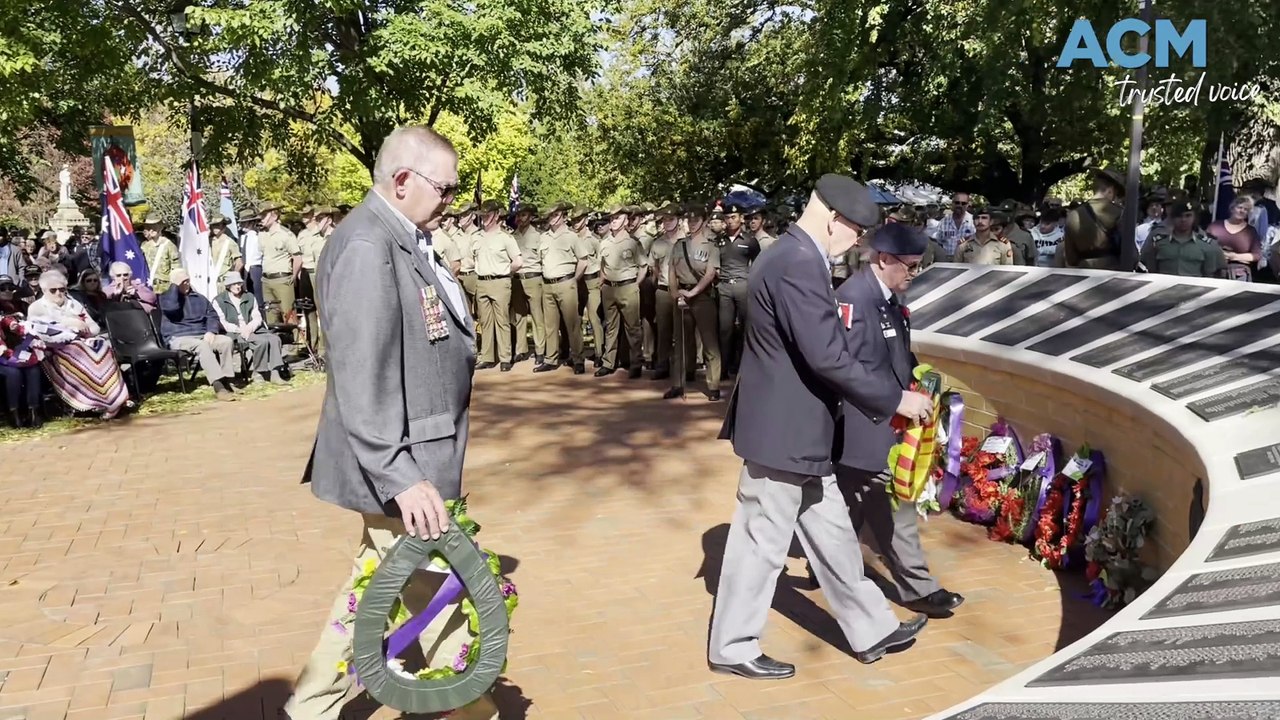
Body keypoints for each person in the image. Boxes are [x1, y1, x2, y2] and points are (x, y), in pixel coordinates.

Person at [286, 126, 496, 720]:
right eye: (445, 188)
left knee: (380, 584)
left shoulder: (400, 236)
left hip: (417, 453)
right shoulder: (366, 247)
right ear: (402, 181)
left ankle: (314, 705)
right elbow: (361, 373)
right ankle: (462, 702)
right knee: (436, 583)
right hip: (399, 462)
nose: (452, 199)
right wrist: (399, 474)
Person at [709, 174, 930, 679]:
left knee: (833, 537)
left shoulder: (794, 256)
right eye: (856, 231)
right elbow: (828, 355)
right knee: (760, 546)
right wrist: (895, 397)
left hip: (801, 432)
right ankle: (733, 646)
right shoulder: (797, 262)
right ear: (833, 219)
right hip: (784, 433)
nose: (859, 243)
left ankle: (872, 627)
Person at [832, 223, 964, 618]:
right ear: (883, 259)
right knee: (893, 502)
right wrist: (896, 401)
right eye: (908, 265)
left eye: (918, 266)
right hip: (862, 425)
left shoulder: (887, 298)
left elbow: (897, 359)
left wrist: (924, 386)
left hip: (888, 419)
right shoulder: (854, 298)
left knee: (849, 510)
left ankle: (835, 571)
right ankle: (917, 588)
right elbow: (846, 370)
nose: (913, 273)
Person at [158, 268, 238, 400]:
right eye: (182, 282)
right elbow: (171, 308)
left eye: (187, 280)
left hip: (201, 334)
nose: (186, 284)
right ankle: (219, 386)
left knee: (225, 341)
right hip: (178, 337)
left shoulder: (199, 298)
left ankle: (227, 380)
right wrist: (174, 287)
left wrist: (211, 331)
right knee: (202, 346)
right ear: (174, 284)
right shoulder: (166, 298)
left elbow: (212, 315)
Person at [213, 271, 288, 385]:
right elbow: (222, 322)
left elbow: (257, 316)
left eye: (239, 283)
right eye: (234, 284)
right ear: (228, 286)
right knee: (261, 342)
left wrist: (250, 327)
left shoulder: (249, 296)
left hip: (252, 328)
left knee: (275, 339)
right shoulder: (219, 300)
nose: (238, 286)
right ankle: (259, 372)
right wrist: (240, 330)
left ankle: (275, 372)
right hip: (234, 332)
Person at [0, 275, 45, 428]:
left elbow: (32, 327)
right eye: (2, 288)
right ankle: (14, 414)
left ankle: (34, 412)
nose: (7, 291)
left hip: (21, 350)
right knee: (13, 374)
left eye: (10, 287)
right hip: (2, 354)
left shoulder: (23, 306)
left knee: (33, 370)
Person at [1141, 201, 1227, 278]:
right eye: (1179, 216)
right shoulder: (1157, 243)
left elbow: (1215, 274)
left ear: (1194, 218)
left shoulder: (1208, 245)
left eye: (1188, 215)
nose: (1183, 220)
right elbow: (1149, 269)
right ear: (1172, 218)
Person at [1062, 167, 1125, 269]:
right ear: (1111, 190)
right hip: (1113, 276)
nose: (1115, 198)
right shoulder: (1120, 213)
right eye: (1116, 194)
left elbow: (1071, 259)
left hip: (1084, 276)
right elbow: (1132, 255)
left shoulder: (1073, 215)